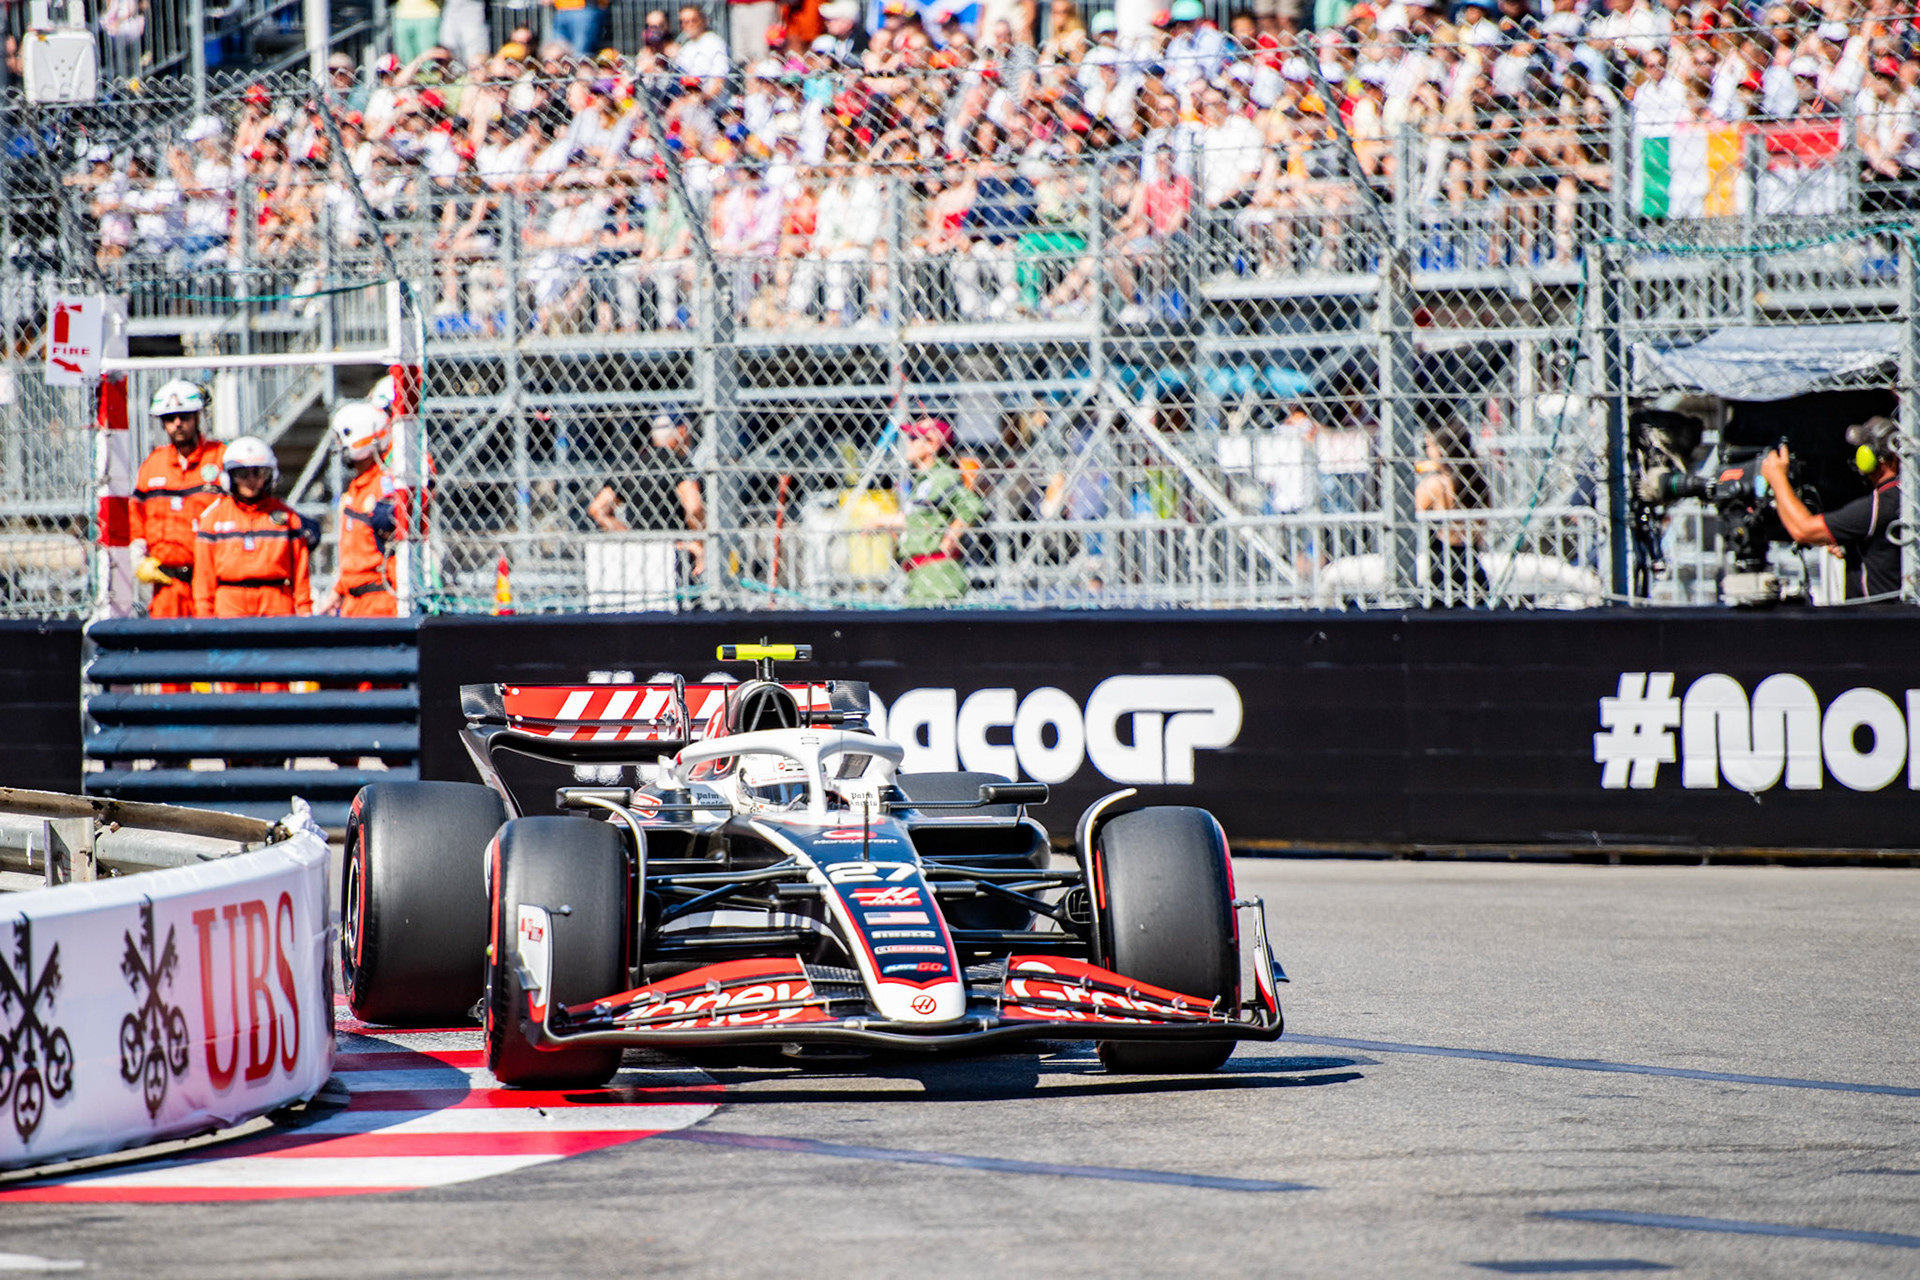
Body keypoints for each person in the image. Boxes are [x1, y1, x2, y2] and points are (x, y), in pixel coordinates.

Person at [1763, 416, 1904, 601]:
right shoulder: (1904, 498)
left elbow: (1802, 530)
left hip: (1879, 621)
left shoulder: (1882, 503)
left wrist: (1777, 479)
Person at [131, 380, 226, 619]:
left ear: (197, 417)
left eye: (184, 416)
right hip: (167, 585)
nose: (177, 424)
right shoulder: (153, 464)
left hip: (214, 583)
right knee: (166, 650)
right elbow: (136, 516)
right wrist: (137, 558)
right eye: (169, 418)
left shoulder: (220, 457)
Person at [192, 436, 314, 618]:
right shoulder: (213, 520)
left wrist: (305, 613)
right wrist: (204, 619)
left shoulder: (288, 518)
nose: (250, 480)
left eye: (257, 472)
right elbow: (204, 579)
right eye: (242, 473)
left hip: (276, 604)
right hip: (230, 605)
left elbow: (301, 574)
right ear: (229, 476)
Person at [587, 413, 707, 579]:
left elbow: (597, 509)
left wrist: (633, 538)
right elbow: (694, 507)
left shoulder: (632, 466)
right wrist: (698, 543)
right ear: (681, 431)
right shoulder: (680, 466)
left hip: (642, 557)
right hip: (677, 556)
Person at [877, 418, 982, 602]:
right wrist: (877, 521)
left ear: (933, 444)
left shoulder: (943, 476)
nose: (907, 442)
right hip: (920, 575)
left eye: (913, 437)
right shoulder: (924, 480)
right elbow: (917, 517)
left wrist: (951, 536)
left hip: (938, 576)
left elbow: (972, 505)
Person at [325, 402, 406, 617]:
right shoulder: (357, 488)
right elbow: (354, 555)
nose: (340, 446)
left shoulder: (385, 485)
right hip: (352, 602)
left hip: (379, 600)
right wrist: (338, 591)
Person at [1415, 420, 1491, 604]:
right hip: (1472, 562)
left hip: (1444, 567)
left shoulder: (1437, 484)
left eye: (1430, 446)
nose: (1427, 452)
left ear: (1442, 449)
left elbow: (1411, 508)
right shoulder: (1476, 481)